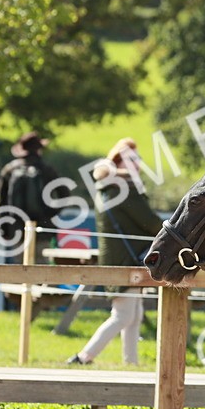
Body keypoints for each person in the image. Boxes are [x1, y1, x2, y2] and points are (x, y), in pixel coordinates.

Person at [66, 138, 161, 366]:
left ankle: (131, 364)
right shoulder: (124, 187)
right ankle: (83, 357)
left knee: (133, 315)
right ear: (118, 161)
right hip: (126, 259)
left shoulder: (108, 187)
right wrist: (175, 231)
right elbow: (149, 222)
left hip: (120, 257)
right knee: (123, 316)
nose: (138, 164)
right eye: (132, 159)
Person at [0, 132, 60, 242]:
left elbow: (2, 202)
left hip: (16, 228)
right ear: (39, 150)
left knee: (20, 258)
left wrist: (4, 228)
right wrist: (50, 214)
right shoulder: (47, 170)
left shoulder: (9, 170)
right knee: (40, 258)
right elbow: (64, 196)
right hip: (43, 228)